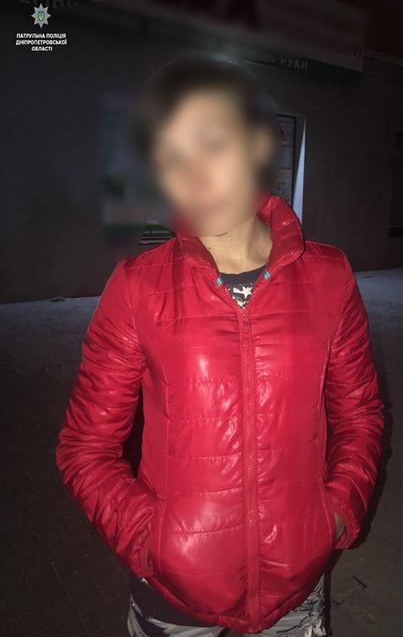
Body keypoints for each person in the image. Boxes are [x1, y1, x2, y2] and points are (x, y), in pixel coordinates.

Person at [56, 58, 384, 637]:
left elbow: (360, 414)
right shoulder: (137, 287)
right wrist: (150, 540)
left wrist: (334, 514)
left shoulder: (329, 277)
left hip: (297, 580)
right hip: (172, 590)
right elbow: (85, 447)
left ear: (259, 144)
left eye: (213, 143)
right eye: (171, 157)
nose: (195, 177)